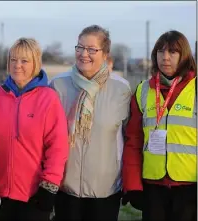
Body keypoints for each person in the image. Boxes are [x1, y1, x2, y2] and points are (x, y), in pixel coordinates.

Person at [50, 25, 132, 221]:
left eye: (91, 49)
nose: (84, 54)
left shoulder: (121, 89)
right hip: (65, 189)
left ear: (105, 54)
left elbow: (130, 138)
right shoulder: (57, 86)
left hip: (105, 191)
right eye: (80, 47)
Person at [0, 37, 69, 221]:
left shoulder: (48, 99)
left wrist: (49, 186)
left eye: (24, 61)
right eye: (13, 60)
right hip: (2, 191)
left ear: (35, 63)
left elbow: (58, 147)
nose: (17, 65)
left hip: (35, 194)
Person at [122, 30, 197, 221]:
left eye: (173, 52)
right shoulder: (143, 90)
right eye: (160, 51)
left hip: (190, 188)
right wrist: (133, 185)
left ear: (184, 55)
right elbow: (133, 141)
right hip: (153, 187)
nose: (165, 57)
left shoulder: (195, 88)